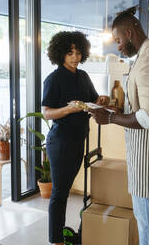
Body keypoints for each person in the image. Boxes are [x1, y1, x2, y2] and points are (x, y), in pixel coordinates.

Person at [89, 8, 149, 245]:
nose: (118, 46)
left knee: (146, 214)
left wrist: (109, 119)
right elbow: (144, 108)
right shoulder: (148, 56)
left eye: (119, 40)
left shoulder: (148, 62)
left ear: (129, 33)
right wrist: (117, 111)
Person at [42, 31, 109, 245]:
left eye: (78, 52)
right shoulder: (53, 79)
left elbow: (91, 100)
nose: (75, 57)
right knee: (60, 193)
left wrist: (101, 99)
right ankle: (56, 240)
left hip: (78, 139)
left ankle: (63, 236)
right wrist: (68, 110)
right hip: (61, 142)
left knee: (65, 190)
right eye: (70, 53)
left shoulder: (83, 76)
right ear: (60, 54)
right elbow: (47, 112)